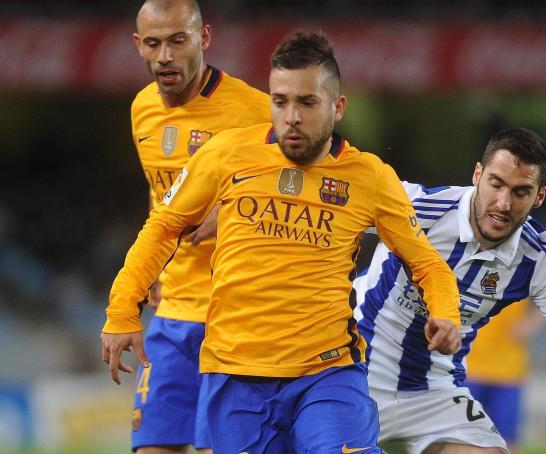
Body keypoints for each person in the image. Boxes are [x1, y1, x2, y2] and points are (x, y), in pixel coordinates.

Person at [102, 31, 461, 453]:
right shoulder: (227, 154)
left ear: (337, 107)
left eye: (306, 103)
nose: (291, 116)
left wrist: (445, 311)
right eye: (280, 101)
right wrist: (123, 308)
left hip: (326, 372)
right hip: (234, 375)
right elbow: (162, 228)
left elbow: (427, 263)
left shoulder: (371, 178)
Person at [354, 128, 546, 454]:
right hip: (352, 375)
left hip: (433, 394)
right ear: (477, 174)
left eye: (521, 192)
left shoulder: (540, 260)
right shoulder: (417, 206)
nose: (503, 203)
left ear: (540, 196)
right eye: (496, 184)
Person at [126, 0, 270, 452]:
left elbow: (304, 193)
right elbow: (161, 198)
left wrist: (230, 213)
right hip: (172, 313)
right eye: (154, 43)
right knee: (153, 447)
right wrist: (151, 266)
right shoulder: (142, 110)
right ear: (139, 46)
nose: (165, 55)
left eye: (177, 40)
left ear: (204, 38)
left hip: (236, 317)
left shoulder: (258, 113)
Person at [465, 299, 544, 453]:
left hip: (508, 372)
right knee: (460, 438)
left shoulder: (527, 273)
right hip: (470, 368)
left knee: (506, 442)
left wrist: (533, 322)